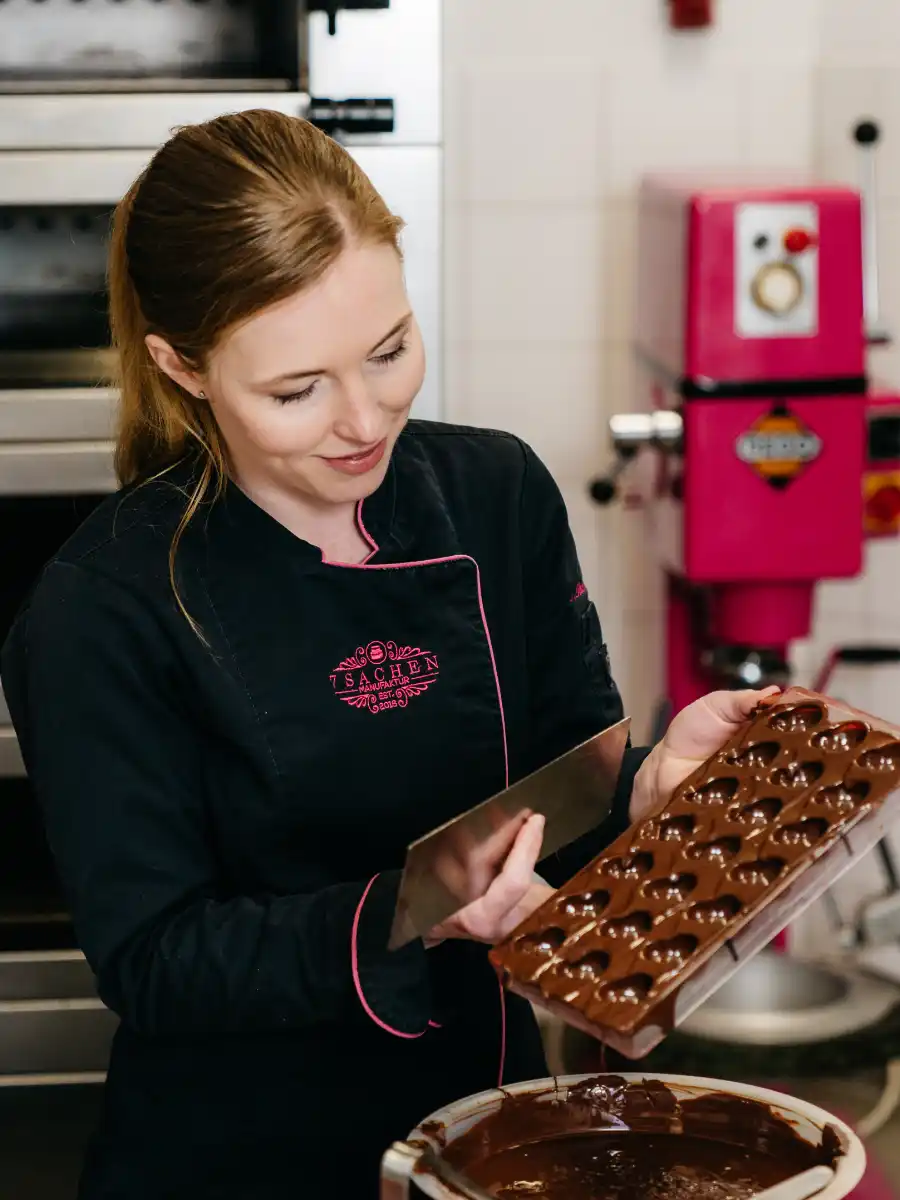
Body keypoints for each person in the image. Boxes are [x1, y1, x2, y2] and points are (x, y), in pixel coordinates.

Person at [0, 109, 775, 1199]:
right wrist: (414, 910)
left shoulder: (496, 495)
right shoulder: (103, 609)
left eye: (389, 350)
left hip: (484, 1129)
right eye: (295, 391)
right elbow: (158, 962)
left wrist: (651, 781)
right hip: (239, 1158)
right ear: (183, 367)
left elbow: (563, 784)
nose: (365, 419)